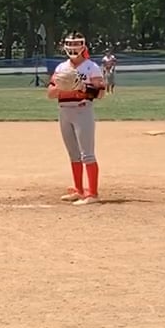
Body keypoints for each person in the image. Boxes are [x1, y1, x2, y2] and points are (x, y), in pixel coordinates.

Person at [46, 33, 106, 205]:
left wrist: (82, 88)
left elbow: (100, 93)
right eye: (70, 44)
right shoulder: (61, 68)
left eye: (76, 44)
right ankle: (79, 190)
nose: (73, 48)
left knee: (87, 154)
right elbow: (50, 93)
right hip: (65, 111)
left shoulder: (91, 67)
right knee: (73, 154)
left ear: (83, 45)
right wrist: (62, 86)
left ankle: (92, 194)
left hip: (82, 111)